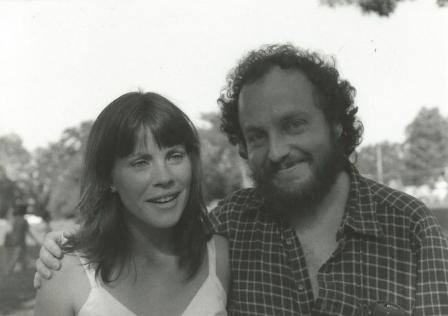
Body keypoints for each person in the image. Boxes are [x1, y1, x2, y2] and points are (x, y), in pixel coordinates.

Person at [35, 44, 448, 315]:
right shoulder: (231, 227)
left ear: (336, 125)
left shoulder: (409, 228)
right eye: (257, 136)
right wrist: (62, 246)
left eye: (294, 124)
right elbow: (146, 236)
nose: (278, 149)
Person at [33, 91, 229, 316]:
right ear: (108, 178)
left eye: (174, 156)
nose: (164, 177)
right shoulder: (64, 272)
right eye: (140, 162)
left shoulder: (220, 256)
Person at [3, 203, 40, 275]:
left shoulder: (16, 219)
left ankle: (23, 268)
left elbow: (12, 231)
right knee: (16, 258)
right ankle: (8, 272)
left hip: (15, 241)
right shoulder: (24, 221)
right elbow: (28, 232)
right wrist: (36, 240)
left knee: (22, 257)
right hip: (20, 242)